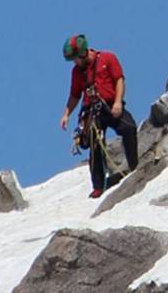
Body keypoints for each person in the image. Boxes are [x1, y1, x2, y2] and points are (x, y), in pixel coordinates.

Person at [59, 34, 138, 197]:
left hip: (110, 105)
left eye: (76, 59)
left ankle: (135, 167)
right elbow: (75, 95)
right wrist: (66, 114)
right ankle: (98, 186)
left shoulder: (108, 58)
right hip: (92, 112)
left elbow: (119, 80)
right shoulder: (77, 72)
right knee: (95, 145)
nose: (75, 62)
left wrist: (117, 102)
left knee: (129, 128)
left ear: (83, 53)